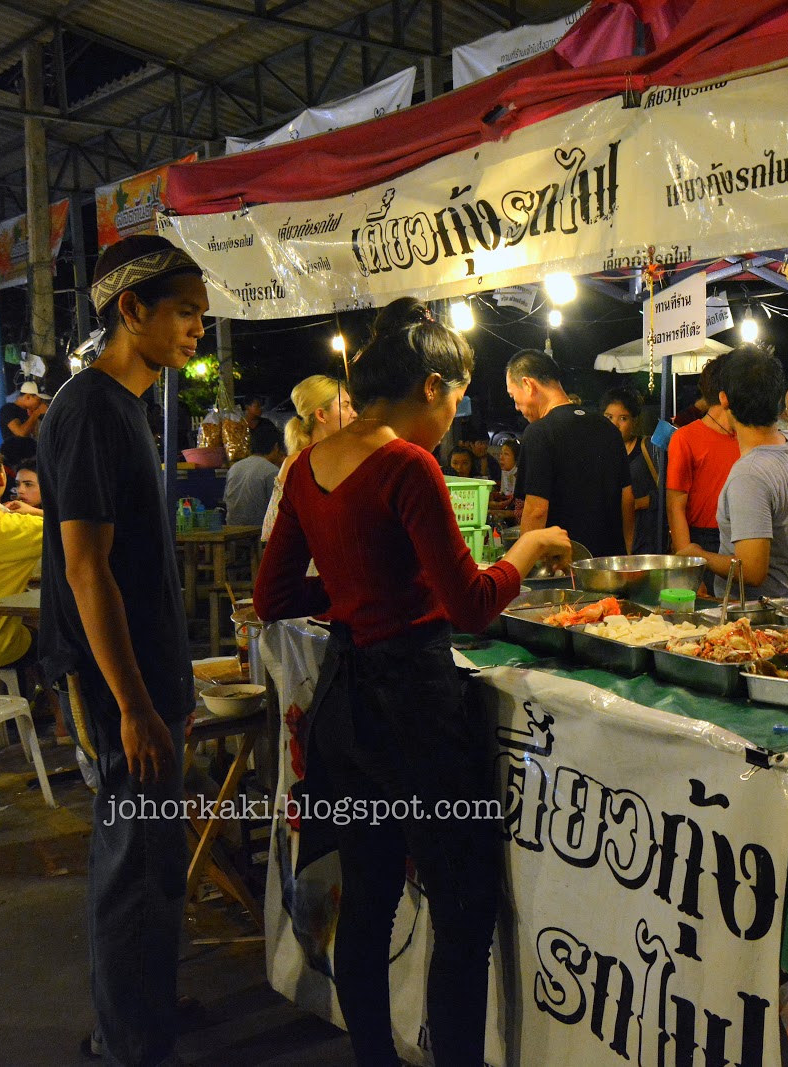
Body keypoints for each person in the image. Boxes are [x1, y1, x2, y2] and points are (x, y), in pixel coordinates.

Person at [255, 297, 570, 1067]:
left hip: (345, 703)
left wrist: (355, 594)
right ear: (432, 384)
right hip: (413, 709)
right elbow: (472, 605)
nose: (457, 415)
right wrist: (527, 549)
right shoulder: (406, 462)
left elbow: (274, 599)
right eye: (458, 397)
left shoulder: (306, 465)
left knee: (370, 901)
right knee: (461, 909)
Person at [40, 233, 206, 1067]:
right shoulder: (88, 408)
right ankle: (127, 1041)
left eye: (202, 316)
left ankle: (143, 1004)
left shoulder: (128, 408)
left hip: (149, 677)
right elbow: (83, 568)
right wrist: (136, 705)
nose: (197, 330)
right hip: (118, 689)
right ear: (130, 309)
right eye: (184, 312)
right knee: (131, 865)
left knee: (155, 860)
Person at [678, 344, 788, 602]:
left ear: (724, 399)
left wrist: (697, 555)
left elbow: (752, 571)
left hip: (757, 622)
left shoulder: (749, 475)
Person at [506, 349, 633, 557]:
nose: (516, 406)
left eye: (513, 396)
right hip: (608, 565)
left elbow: (536, 511)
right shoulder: (608, 428)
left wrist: (523, 567)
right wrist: (626, 553)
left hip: (563, 569)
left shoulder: (539, 432)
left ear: (528, 385)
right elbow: (626, 497)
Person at [666, 353, 739, 573]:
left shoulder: (749, 435)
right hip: (704, 540)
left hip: (745, 535)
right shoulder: (685, 437)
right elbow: (675, 506)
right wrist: (687, 563)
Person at [262, 374, 354, 541]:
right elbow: (273, 528)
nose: (354, 413)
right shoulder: (296, 464)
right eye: (345, 406)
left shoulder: (351, 458)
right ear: (321, 415)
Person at [0, 449, 43, 671]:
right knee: (57, 645)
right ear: (2, 478)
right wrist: (37, 513)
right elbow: (79, 531)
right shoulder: (14, 529)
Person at [601, 386, 660, 554]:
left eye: (623, 418)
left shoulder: (647, 448)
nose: (614, 424)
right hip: (612, 538)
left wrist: (640, 502)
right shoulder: (597, 453)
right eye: (609, 417)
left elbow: (668, 492)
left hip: (646, 538)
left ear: (634, 421)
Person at [223, 419, 284, 527]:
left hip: (232, 530)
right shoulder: (272, 471)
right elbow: (279, 509)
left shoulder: (235, 468)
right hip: (258, 534)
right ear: (276, 447)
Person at [0, 380, 49, 467]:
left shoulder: (28, 412)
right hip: (15, 460)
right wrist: (36, 413)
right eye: (38, 400)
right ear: (28, 397)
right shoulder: (8, 409)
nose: (40, 403)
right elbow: (21, 433)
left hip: (30, 457)